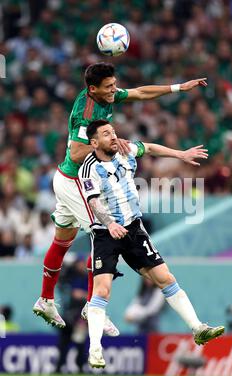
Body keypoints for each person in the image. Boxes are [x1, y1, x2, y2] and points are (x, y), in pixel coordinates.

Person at [33, 62, 208, 330]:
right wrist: (108, 142)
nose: (115, 90)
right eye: (109, 87)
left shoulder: (105, 96)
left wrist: (178, 87)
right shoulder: (87, 112)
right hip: (74, 181)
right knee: (103, 233)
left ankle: (46, 299)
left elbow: (140, 93)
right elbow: (77, 153)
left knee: (63, 239)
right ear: (93, 89)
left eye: (115, 84)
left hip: (67, 178)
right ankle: (93, 308)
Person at [78, 119, 225, 368]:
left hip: (134, 229)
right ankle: (95, 349)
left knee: (165, 278)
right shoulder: (88, 168)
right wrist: (110, 223)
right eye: (106, 134)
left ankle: (197, 328)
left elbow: (150, 148)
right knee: (101, 290)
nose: (113, 137)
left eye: (113, 132)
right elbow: (93, 201)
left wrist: (180, 154)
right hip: (105, 233)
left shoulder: (125, 149)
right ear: (94, 143)